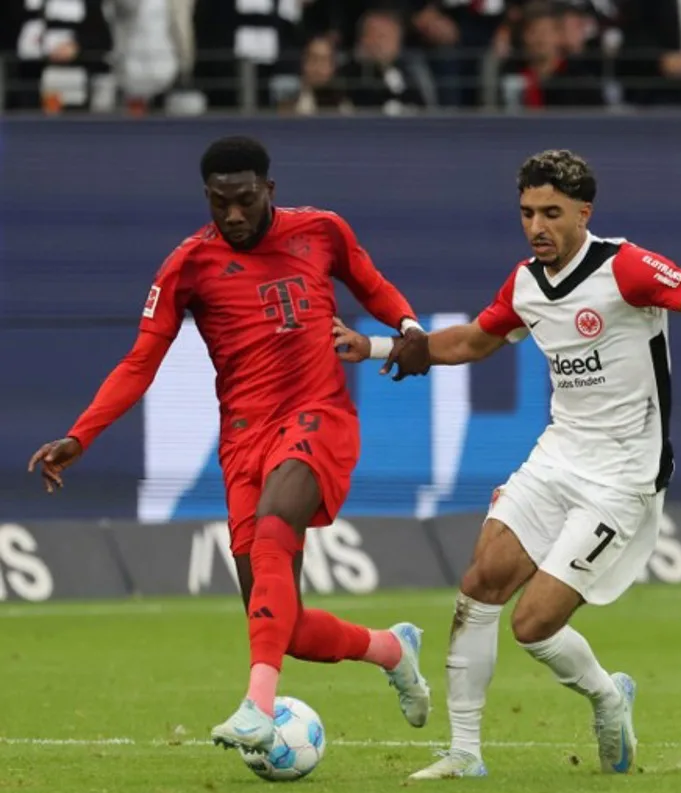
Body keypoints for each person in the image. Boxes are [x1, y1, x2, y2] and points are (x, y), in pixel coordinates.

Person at [333, 149, 681, 780]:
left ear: (583, 212)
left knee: (533, 625)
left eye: (551, 213)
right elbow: (474, 341)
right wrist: (377, 344)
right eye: (526, 213)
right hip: (557, 457)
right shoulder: (526, 284)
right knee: (479, 584)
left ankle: (607, 696)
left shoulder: (626, 268)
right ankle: (464, 753)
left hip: (622, 474)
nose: (536, 226)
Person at [27, 136, 433, 757]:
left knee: (274, 526)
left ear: (269, 190)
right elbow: (141, 361)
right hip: (244, 440)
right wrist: (82, 434)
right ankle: (391, 649)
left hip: (316, 415)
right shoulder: (188, 265)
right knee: (284, 624)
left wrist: (406, 326)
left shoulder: (321, 231)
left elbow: (372, 285)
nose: (234, 216)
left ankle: (256, 707)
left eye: (245, 200)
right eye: (221, 204)